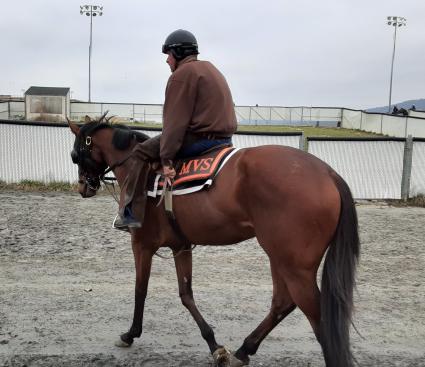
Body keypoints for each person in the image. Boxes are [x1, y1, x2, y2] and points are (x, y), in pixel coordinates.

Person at [114, 29, 237, 229]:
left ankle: (130, 216)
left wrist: (167, 159)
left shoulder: (182, 75)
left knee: (138, 153)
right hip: (224, 140)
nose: (167, 61)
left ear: (178, 53)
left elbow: (174, 124)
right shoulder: (212, 69)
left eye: (169, 55)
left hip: (198, 139)